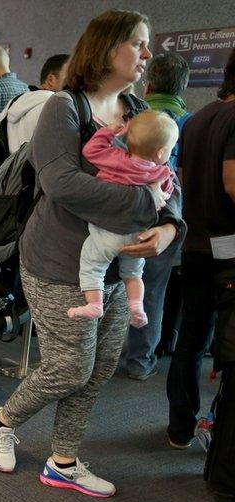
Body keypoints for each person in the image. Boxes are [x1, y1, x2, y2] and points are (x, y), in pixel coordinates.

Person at [0, 10, 184, 498]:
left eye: (147, 44)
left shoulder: (138, 109)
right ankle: (5, 419)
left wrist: (167, 228)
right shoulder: (65, 108)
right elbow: (62, 183)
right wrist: (146, 206)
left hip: (118, 268)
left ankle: (63, 460)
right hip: (58, 263)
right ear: (105, 47)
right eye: (137, 43)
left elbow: (166, 177)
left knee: (97, 370)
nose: (146, 54)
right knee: (71, 366)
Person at [166, 47, 235, 449]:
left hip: (196, 242)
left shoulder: (196, 118)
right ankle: (217, 426)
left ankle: (181, 427)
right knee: (226, 341)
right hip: (228, 246)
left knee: (191, 338)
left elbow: (183, 179)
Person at [119, 52, 192, 380]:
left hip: (124, 216)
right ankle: (140, 361)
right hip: (166, 221)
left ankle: (110, 352)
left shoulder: (134, 117)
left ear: (147, 85)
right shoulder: (189, 122)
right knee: (154, 293)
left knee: (118, 285)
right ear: (183, 88)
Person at [69, 111, 177, 329]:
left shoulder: (116, 159)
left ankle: (94, 304)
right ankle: (136, 306)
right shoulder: (161, 172)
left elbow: (90, 150)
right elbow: (167, 195)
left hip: (107, 232)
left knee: (92, 265)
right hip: (138, 235)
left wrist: (108, 132)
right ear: (161, 152)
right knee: (134, 273)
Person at [0, 54, 69, 154]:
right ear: (51, 80)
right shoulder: (58, 107)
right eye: (69, 79)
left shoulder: (15, 101)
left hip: (9, 167)